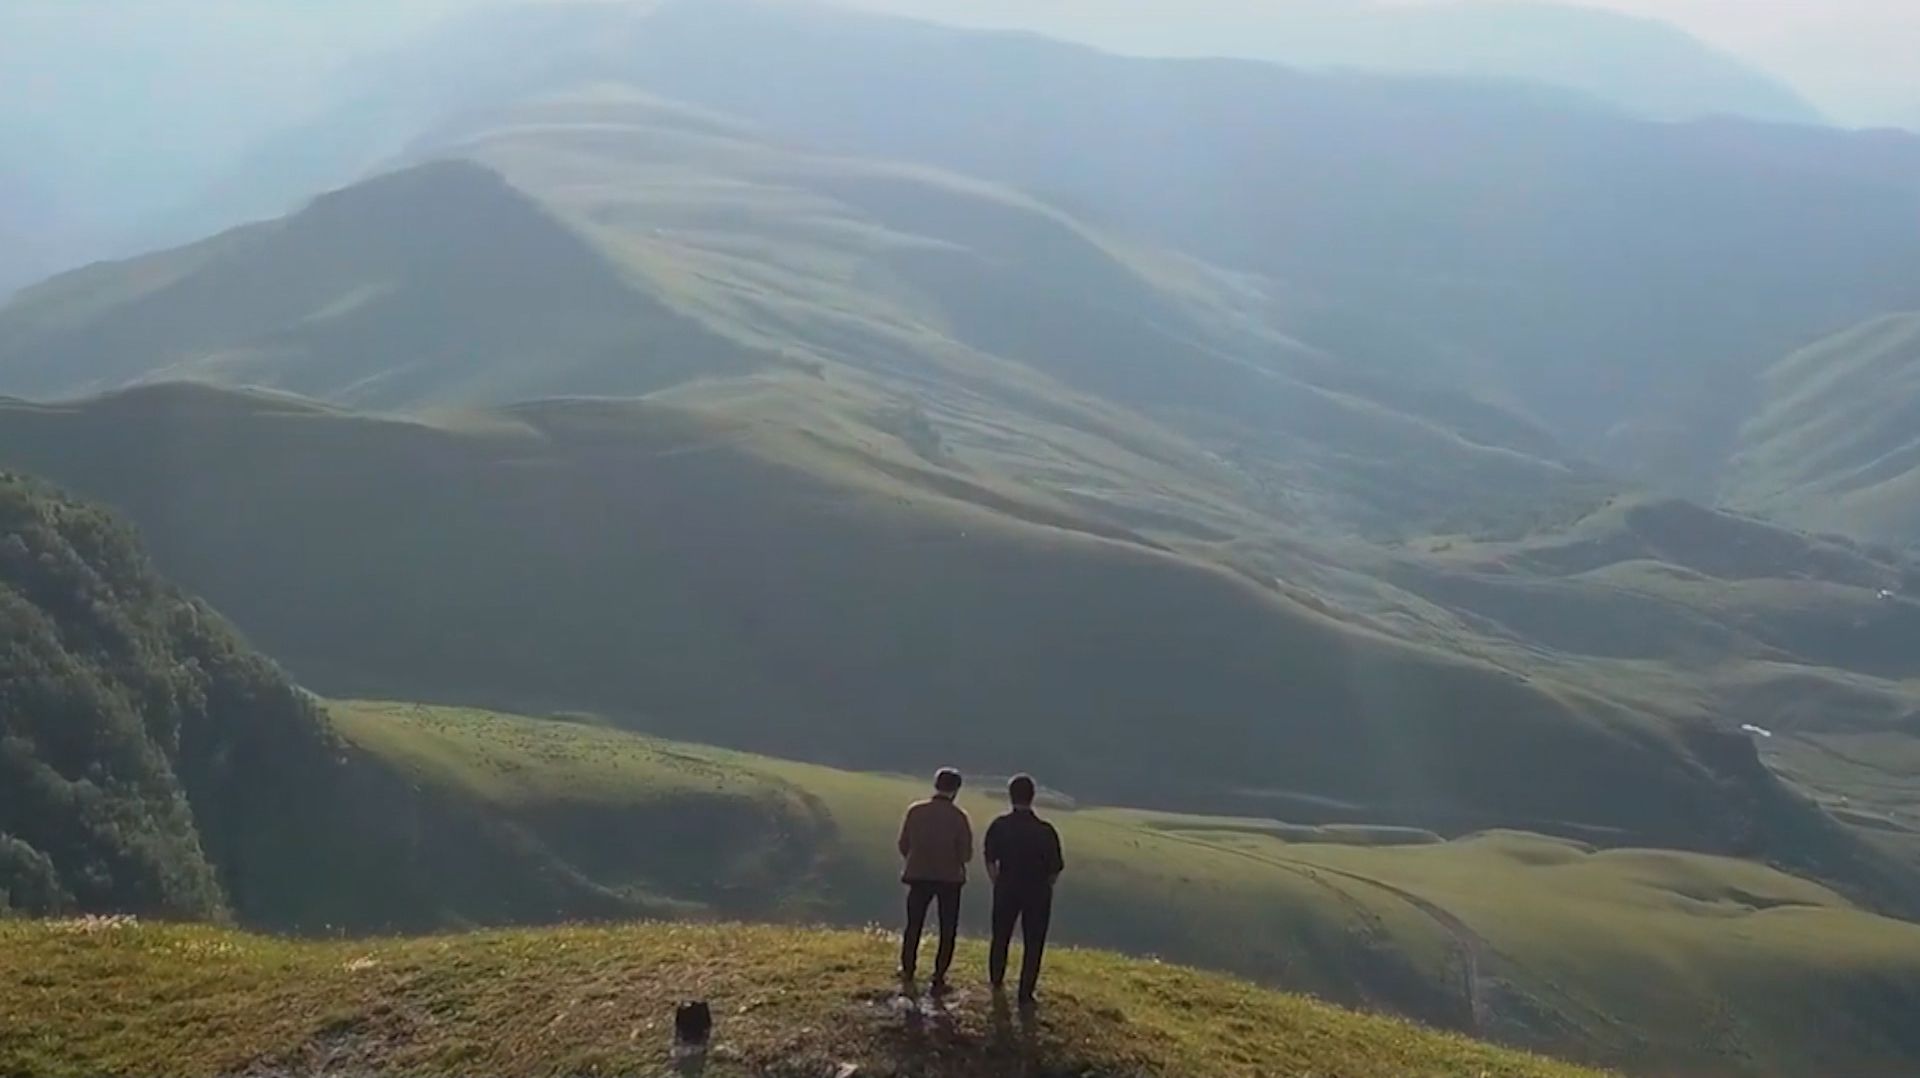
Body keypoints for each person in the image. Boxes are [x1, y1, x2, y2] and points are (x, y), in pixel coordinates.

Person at [984, 773, 1065, 1005]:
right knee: (1034, 942)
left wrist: (997, 882)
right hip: (1038, 892)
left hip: (1007, 887)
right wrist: (1045, 886)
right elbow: (1055, 868)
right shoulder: (1046, 831)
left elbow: (990, 859)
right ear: (1033, 797)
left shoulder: (999, 826)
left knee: (1000, 937)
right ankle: (1026, 991)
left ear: (1010, 796)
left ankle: (996, 980)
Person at [896, 767, 973, 992]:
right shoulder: (959, 817)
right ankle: (939, 975)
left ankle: (908, 967)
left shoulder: (915, 811)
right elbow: (966, 855)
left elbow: (903, 844)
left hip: (918, 875)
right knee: (947, 928)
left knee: (913, 924)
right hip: (949, 879)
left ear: (935, 784)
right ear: (956, 790)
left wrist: (916, 859)